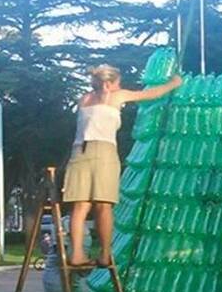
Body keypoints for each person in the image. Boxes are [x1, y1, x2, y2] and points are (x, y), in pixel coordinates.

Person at [63, 65, 182, 267]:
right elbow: (149, 94)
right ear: (109, 84)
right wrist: (173, 84)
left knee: (80, 207)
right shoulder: (116, 97)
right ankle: (105, 253)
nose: (121, 87)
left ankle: (76, 253)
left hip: (79, 152)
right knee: (104, 205)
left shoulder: (84, 99)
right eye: (118, 83)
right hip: (104, 151)